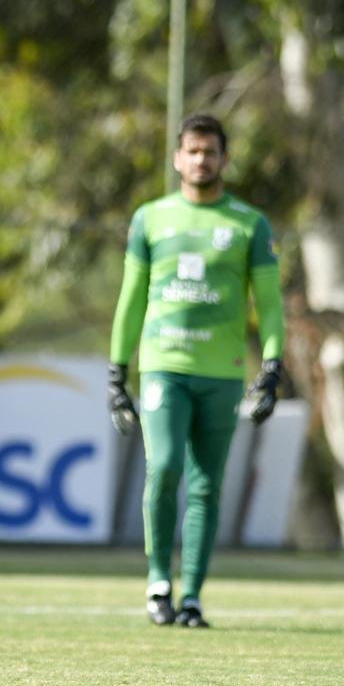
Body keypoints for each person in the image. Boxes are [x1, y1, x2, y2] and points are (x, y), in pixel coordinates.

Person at [108, 113, 285, 629]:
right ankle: (158, 581)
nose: (201, 159)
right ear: (177, 158)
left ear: (224, 159)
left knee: (207, 485)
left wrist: (272, 364)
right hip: (164, 367)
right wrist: (117, 373)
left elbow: (269, 303)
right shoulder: (151, 219)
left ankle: (193, 597)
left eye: (210, 151)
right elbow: (131, 299)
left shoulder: (249, 224)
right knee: (164, 467)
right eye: (193, 151)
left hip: (223, 374)